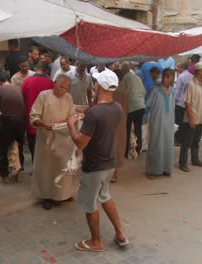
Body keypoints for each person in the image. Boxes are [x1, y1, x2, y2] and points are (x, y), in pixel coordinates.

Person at [67, 69, 129, 252]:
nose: (94, 84)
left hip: (94, 166)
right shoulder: (116, 107)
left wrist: (71, 123)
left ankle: (96, 242)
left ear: (99, 85)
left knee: (90, 203)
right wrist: (88, 114)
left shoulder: (95, 113)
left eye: (96, 82)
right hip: (109, 163)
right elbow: (102, 118)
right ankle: (120, 234)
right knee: (105, 196)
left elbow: (80, 142)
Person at [30, 74, 77, 210]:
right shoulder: (43, 95)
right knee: (47, 168)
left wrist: (74, 119)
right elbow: (33, 116)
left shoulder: (69, 98)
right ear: (54, 83)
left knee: (62, 166)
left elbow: (72, 115)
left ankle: (63, 194)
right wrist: (45, 124)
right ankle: (47, 196)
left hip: (64, 138)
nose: (63, 90)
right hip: (46, 137)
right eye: (61, 86)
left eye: (66, 88)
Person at [0, 72, 27, 183]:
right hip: (21, 121)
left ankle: (4, 176)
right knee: (19, 147)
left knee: (1, 149)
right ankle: (18, 174)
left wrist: (1, 122)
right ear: (9, 80)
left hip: (8, 121)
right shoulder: (18, 88)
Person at [179, 62, 202, 172]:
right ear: (200, 71)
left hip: (200, 116)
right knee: (187, 141)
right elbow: (187, 102)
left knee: (196, 141)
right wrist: (191, 118)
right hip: (192, 117)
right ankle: (182, 163)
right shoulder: (191, 84)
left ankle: (195, 159)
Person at [145, 68, 176, 178]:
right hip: (157, 121)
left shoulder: (172, 91)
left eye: (168, 76)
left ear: (172, 78)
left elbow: (172, 107)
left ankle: (166, 168)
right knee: (156, 143)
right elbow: (148, 104)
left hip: (169, 121)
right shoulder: (155, 90)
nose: (165, 79)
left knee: (167, 143)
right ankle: (152, 170)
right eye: (164, 76)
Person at [22, 61, 54, 160]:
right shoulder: (50, 83)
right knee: (46, 148)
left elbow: (22, 99)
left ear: (36, 68)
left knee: (33, 148)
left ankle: (35, 168)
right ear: (46, 70)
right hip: (47, 122)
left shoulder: (27, 81)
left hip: (31, 121)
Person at [118, 63, 146, 157]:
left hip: (131, 107)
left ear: (123, 71)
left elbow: (122, 93)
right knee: (138, 129)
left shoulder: (126, 77)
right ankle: (138, 150)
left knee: (127, 129)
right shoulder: (137, 77)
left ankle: (126, 152)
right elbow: (144, 92)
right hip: (141, 105)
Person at [174, 62, 194, 145]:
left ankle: (178, 140)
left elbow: (177, 91)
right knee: (186, 122)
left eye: (178, 67)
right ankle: (186, 139)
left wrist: (173, 101)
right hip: (189, 103)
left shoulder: (181, 77)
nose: (177, 68)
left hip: (180, 103)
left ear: (182, 68)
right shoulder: (192, 76)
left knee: (178, 122)